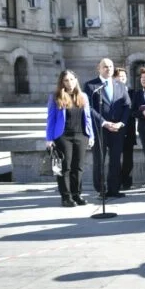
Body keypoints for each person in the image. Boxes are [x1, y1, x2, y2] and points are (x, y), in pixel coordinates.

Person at [45, 70, 94, 207]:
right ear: (62, 82)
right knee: (65, 167)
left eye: (72, 79)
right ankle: (66, 197)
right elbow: (51, 119)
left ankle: (76, 195)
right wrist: (49, 138)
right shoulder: (55, 97)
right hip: (63, 136)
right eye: (66, 80)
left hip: (81, 135)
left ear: (76, 80)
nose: (69, 83)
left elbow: (88, 117)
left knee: (78, 167)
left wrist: (91, 135)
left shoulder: (83, 96)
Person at [84, 58, 130, 199]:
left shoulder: (120, 85)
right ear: (98, 68)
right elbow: (88, 107)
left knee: (115, 160)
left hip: (117, 129)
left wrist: (121, 123)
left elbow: (127, 105)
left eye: (110, 66)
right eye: (105, 66)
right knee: (99, 160)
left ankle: (114, 189)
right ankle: (101, 190)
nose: (108, 69)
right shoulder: (91, 85)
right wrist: (104, 122)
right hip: (100, 129)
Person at [114, 68, 136, 190]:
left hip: (129, 128)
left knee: (128, 157)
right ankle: (115, 182)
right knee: (115, 156)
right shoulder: (111, 91)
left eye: (124, 76)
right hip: (115, 128)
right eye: (119, 76)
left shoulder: (132, 92)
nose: (121, 78)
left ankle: (127, 182)